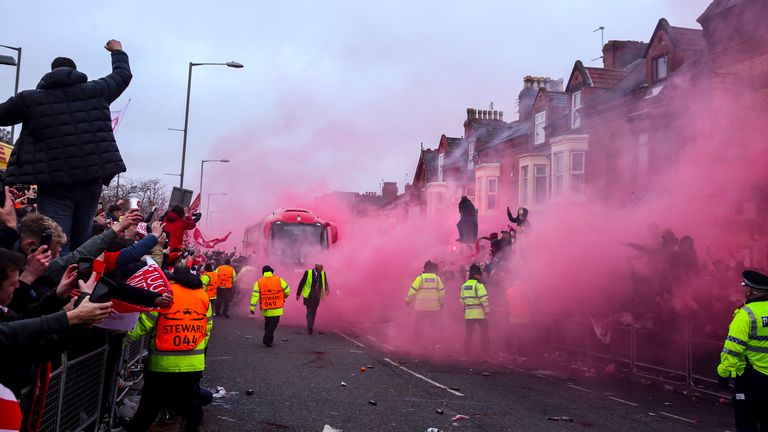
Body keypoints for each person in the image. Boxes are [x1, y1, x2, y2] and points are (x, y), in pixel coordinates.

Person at [0, 40, 132, 254]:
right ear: (75, 72)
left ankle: (59, 273)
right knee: (83, 242)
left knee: (57, 241)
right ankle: (80, 273)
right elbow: (122, 75)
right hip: (91, 179)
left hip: (54, 184)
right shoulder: (96, 91)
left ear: (50, 73)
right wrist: (118, 51)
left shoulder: (30, 99)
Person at [124, 265, 212, 432]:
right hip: (193, 365)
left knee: (148, 410)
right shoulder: (203, 295)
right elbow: (207, 328)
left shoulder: (165, 294)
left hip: (162, 365)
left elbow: (144, 323)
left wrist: (122, 340)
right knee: (190, 409)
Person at [717, 269, 768, 431]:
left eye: (746, 287)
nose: (744, 290)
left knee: (746, 424)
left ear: (751, 291)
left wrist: (723, 373)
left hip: (750, 379)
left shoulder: (745, 315)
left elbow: (733, 349)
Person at [405, 261, 445, 346]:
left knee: (419, 326)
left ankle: (417, 343)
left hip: (421, 307)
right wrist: (441, 303)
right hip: (433, 307)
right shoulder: (437, 279)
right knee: (434, 326)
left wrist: (408, 299)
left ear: (425, 268)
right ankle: (434, 344)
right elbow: (442, 292)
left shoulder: (420, 278)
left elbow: (413, 290)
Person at [250, 265, 290, 347]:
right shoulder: (278, 279)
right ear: (271, 272)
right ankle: (267, 340)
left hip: (266, 307)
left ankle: (269, 340)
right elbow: (287, 290)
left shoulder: (259, 282)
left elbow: (255, 295)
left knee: (268, 323)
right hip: (277, 307)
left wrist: (252, 307)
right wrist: (284, 296)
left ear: (263, 272)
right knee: (273, 324)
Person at [460, 264, 490, 353]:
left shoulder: (464, 286)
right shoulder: (479, 285)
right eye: (479, 275)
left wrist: (466, 308)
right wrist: (487, 310)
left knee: (468, 334)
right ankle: (485, 352)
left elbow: (462, 300)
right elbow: (484, 299)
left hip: (469, 315)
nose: (480, 276)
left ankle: (466, 352)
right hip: (480, 314)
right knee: (484, 333)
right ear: (477, 275)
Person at [296, 264, 329, 335]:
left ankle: (311, 325)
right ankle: (310, 326)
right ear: (316, 268)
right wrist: (298, 294)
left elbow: (325, 282)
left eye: (322, 269)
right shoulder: (308, 273)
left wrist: (327, 289)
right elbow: (301, 283)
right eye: (320, 269)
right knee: (309, 310)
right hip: (309, 296)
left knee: (314, 311)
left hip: (317, 296)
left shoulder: (323, 273)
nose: (322, 271)